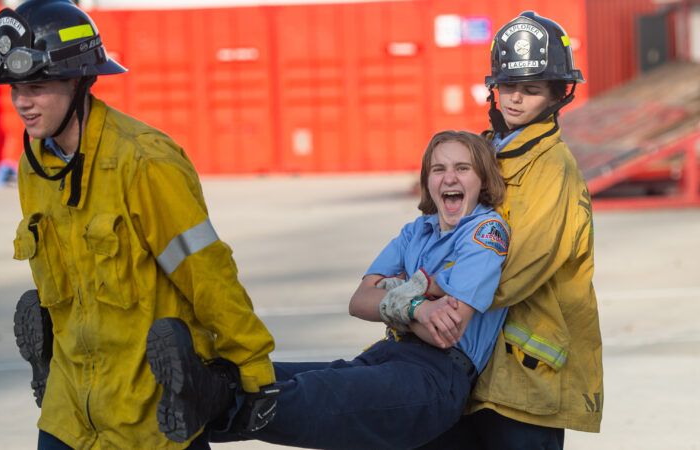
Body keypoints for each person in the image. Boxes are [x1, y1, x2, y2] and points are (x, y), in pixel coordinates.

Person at [0, 0, 277, 448]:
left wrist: (253, 365)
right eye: (13, 88)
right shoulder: (34, 167)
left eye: (38, 85)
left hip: (153, 415)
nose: (22, 101)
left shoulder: (142, 160)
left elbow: (205, 270)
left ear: (81, 78)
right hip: (68, 412)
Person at [156, 130, 510, 449]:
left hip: (434, 379)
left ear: (481, 179)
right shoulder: (416, 231)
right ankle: (202, 383)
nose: (449, 177)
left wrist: (394, 294)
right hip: (387, 354)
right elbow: (359, 302)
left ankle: (207, 395)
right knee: (272, 375)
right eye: (438, 169)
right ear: (428, 181)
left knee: (319, 395)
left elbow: (446, 331)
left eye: (462, 168)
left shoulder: (486, 231)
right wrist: (418, 303)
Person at [424, 11, 603, 450]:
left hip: (525, 379)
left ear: (559, 94)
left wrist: (430, 290)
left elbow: (522, 266)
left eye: (531, 89)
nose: (516, 99)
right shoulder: (485, 152)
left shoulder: (553, 168)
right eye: (507, 86)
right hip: (470, 365)